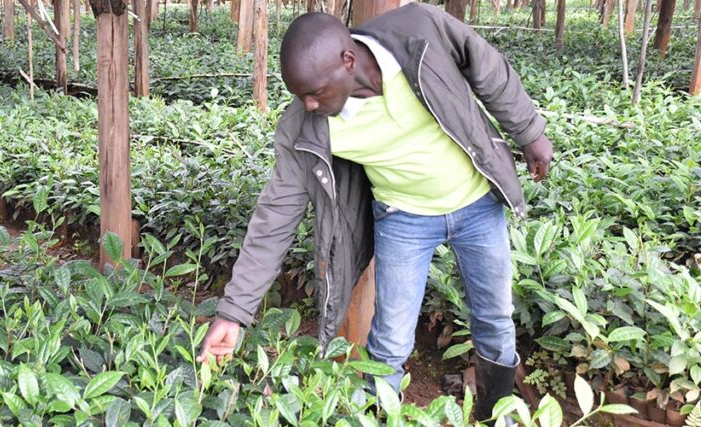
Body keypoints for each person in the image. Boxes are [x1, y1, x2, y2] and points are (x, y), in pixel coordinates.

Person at [195, 4, 553, 421]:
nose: (308, 105)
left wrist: (530, 132)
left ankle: (498, 413)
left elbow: (486, 66)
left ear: (348, 61)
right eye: (300, 95)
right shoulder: (305, 126)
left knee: (494, 320)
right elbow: (275, 216)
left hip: (477, 205)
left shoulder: (419, 31)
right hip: (404, 220)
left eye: (315, 92)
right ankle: (379, 416)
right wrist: (234, 314)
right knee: (390, 341)